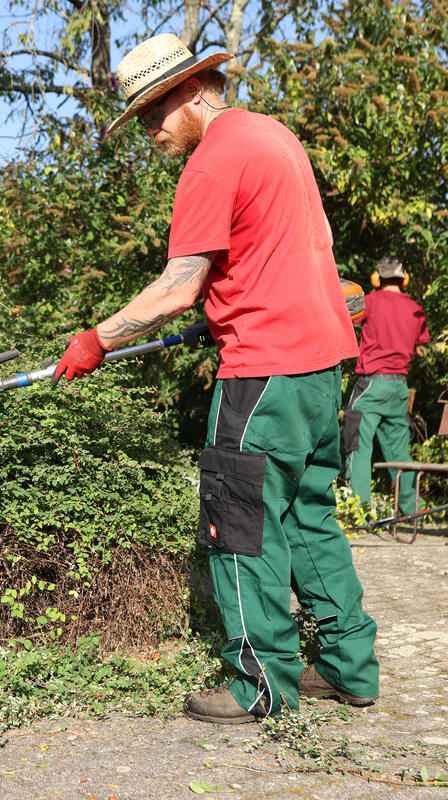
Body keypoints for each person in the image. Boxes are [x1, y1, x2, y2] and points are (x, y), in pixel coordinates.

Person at [52, 33, 379, 723]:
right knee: (309, 517)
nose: (148, 129)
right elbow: (281, 254)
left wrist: (95, 341)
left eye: (154, 111)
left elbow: (176, 288)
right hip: (320, 367)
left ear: (193, 92)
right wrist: (228, 301)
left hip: (262, 371)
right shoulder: (275, 139)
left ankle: (258, 684)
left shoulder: (211, 162)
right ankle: (351, 669)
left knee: (238, 521)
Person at [344, 258, 430, 515]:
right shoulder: (416, 308)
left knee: (358, 445)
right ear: (404, 279)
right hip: (399, 388)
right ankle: (414, 509)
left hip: (372, 385)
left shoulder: (370, 302)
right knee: (398, 452)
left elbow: (349, 318)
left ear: (376, 278)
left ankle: (358, 512)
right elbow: (421, 341)